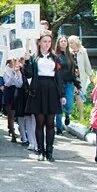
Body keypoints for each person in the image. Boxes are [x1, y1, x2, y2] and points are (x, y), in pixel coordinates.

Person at [24, 32, 66, 162]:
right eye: (44, 41)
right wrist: (26, 61)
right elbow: (28, 74)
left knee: (50, 123)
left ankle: (49, 152)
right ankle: (40, 151)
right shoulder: (34, 58)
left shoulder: (56, 58)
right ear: (39, 43)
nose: (47, 44)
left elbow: (59, 77)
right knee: (39, 123)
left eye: (49, 41)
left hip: (52, 90)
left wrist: (62, 94)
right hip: (39, 89)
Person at [54, 35, 80, 134]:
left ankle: (68, 114)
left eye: (65, 41)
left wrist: (76, 83)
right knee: (59, 107)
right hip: (58, 83)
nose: (63, 43)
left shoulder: (71, 55)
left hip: (69, 82)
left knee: (69, 105)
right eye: (61, 41)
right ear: (58, 43)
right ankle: (59, 129)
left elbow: (75, 70)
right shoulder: (56, 56)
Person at [68, 35, 94, 122]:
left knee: (79, 96)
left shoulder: (83, 51)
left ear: (76, 42)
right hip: (70, 77)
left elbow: (87, 63)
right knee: (70, 96)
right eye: (69, 43)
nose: (70, 44)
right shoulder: (68, 52)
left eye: (72, 42)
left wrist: (90, 75)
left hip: (80, 77)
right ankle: (69, 114)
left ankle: (81, 116)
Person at [15, 57, 36, 150]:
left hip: (32, 94)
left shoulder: (33, 67)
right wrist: (17, 72)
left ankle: (36, 142)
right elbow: (18, 84)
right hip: (22, 96)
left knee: (34, 118)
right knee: (26, 117)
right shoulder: (19, 69)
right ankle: (30, 140)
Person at [3, 59, 23, 143]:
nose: (15, 62)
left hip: (17, 91)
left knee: (17, 113)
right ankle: (12, 131)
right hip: (9, 91)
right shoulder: (5, 70)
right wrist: (13, 74)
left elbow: (20, 84)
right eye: (13, 60)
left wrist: (17, 72)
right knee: (10, 113)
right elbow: (7, 83)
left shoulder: (19, 69)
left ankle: (20, 132)